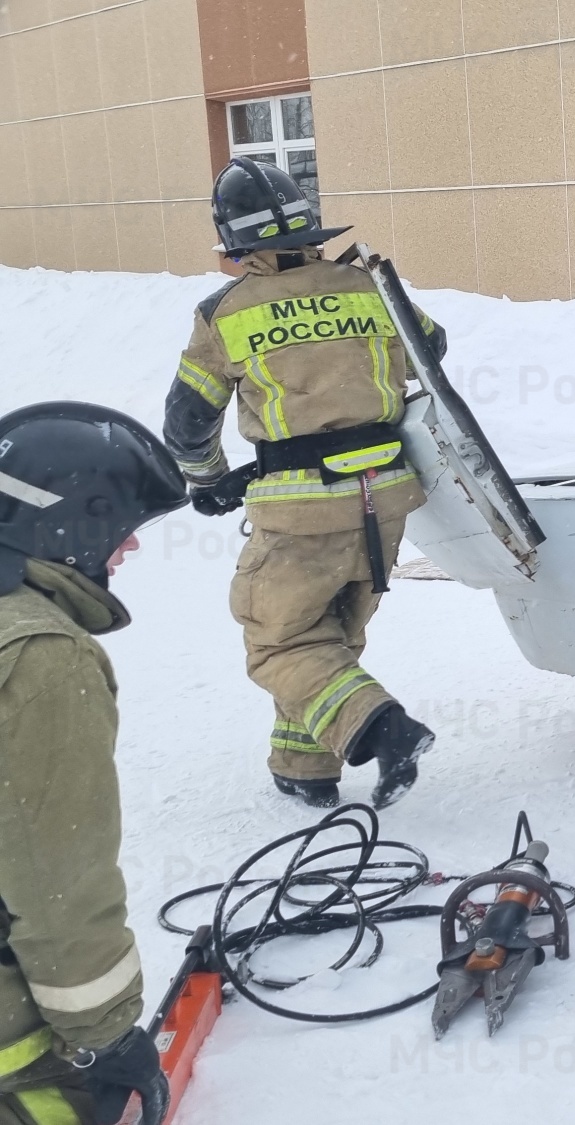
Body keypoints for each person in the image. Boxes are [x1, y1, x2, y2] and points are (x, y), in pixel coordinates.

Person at [163, 157, 443, 809]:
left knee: (279, 636)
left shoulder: (225, 311)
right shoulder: (366, 285)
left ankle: (384, 727)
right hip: (387, 498)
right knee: (330, 634)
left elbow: (186, 420)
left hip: (302, 509)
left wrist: (207, 480)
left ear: (237, 244)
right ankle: (303, 767)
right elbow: (435, 346)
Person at [0, 403, 183, 1125]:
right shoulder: (42, 657)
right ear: (64, 523)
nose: (130, 544)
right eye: (116, 521)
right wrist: (104, 1037)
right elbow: (58, 884)